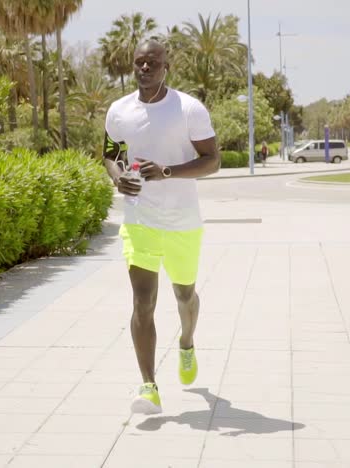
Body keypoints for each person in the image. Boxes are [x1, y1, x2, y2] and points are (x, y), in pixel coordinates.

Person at [102, 39, 220, 415]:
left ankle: (186, 342)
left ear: (166, 66)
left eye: (152, 62)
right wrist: (119, 177)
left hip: (183, 222)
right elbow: (110, 154)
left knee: (185, 296)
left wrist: (168, 172)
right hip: (140, 220)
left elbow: (212, 160)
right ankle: (148, 385)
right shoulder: (119, 111)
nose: (145, 68)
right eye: (139, 62)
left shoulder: (188, 109)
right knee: (143, 300)